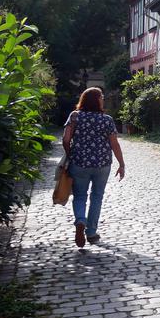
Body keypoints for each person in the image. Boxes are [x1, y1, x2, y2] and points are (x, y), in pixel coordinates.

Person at [62, 87, 125, 247]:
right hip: (102, 164)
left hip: (79, 162)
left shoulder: (75, 116)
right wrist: (121, 163)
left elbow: (66, 139)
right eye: (101, 97)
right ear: (97, 100)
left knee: (80, 196)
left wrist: (70, 154)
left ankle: (80, 221)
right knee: (97, 196)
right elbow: (114, 144)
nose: (103, 99)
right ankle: (91, 232)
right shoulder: (107, 120)